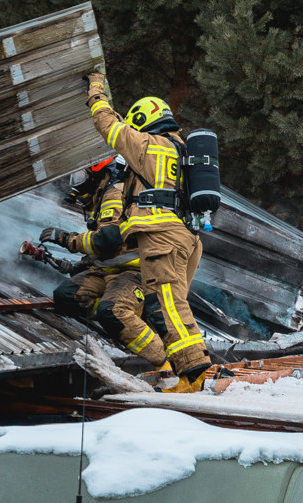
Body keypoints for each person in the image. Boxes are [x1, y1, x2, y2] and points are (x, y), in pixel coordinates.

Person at [86, 72, 210, 392]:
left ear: (142, 120)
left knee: (167, 306)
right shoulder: (180, 149)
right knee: (173, 304)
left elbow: (106, 123)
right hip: (185, 236)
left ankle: (193, 376)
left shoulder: (148, 145)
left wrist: (96, 88)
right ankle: (189, 372)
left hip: (162, 238)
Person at [40, 158, 170, 371]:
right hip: (107, 270)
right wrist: (78, 266)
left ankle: (164, 362)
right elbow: (108, 249)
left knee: (112, 311)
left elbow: (107, 240)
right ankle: (121, 316)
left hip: (135, 271)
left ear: (100, 173)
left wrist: (66, 239)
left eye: (80, 177)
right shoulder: (99, 196)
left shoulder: (114, 194)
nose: (76, 183)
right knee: (65, 296)